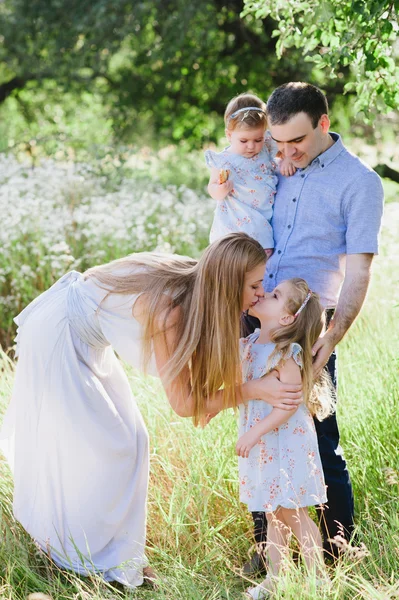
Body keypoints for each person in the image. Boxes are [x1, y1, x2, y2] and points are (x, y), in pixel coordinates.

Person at [0, 233, 302, 589]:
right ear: (227, 281)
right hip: (58, 336)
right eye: (253, 285)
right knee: (108, 445)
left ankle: (119, 556)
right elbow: (184, 404)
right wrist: (253, 389)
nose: (260, 294)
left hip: (84, 334)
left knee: (134, 439)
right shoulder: (171, 309)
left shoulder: (196, 284)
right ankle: (70, 556)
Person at [242, 81, 384, 574]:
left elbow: (359, 270)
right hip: (257, 312)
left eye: (295, 142)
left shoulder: (359, 183)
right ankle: (269, 557)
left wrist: (331, 337)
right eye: (278, 142)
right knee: (261, 436)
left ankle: (338, 553)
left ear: (323, 123)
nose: (286, 152)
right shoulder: (277, 165)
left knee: (320, 437)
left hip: (306, 328)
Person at [237, 278, 334, 599]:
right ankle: (277, 577)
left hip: (285, 443)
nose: (264, 293)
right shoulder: (250, 344)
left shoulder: (284, 354)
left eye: (275, 295)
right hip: (266, 446)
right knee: (270, 511)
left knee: (292, 510)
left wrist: (254, 432)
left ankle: (318, 577)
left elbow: (289, 405)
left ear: (287, 318)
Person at [205, 93, 294, 255]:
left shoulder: (266, 147)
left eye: (258, 139)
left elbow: (285, 146)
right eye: (244, 141)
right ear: (229, 135)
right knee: (233, 266)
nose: (251, 146)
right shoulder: (223, 161)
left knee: (259, 268)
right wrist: (220, 190)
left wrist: (287, 158)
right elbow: (212, 188)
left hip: (261, 226)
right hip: (232, 226)